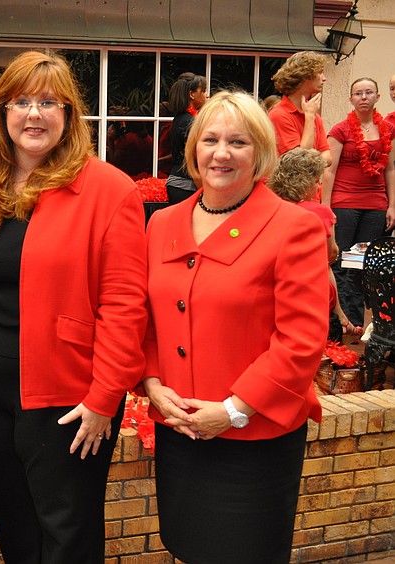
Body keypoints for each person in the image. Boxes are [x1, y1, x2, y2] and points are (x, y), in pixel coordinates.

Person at [0, 51, 148, 562]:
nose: (34, 114)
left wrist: (105, 398)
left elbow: (125, 304)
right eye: (20, 102)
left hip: (68, 401)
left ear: (69, 115)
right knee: (15, 530)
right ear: (1, 112)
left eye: (49, 102)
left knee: (67, 538)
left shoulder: (109, 190)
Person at [141, 91, 329, 563]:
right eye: (210, 140)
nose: (221, 153)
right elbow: (145, 320)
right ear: (194, 149)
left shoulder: (292, 227)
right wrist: (151, 383)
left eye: (237, 142)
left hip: (253, 436)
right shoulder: (161, 223)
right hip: (180, 429)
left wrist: (232, 410)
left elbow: (301, 341)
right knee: (186, 546)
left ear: (260, 152)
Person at [321, 77, 395, 331]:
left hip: (375, 205)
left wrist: (392, 205)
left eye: (369, 92)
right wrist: (325, 206)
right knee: (341, 262)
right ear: (351, 98)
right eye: (358, 93)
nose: (363, 97)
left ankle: (357, 322)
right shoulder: (341, 130)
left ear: (377, 97)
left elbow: (391, 169)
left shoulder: (387, 129)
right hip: (344, 203)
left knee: (361, 263)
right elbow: (328, 171)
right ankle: (343, 321)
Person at [267, 147, 361, 338]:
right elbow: (331, 254)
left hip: (274, 285)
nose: (319, 186)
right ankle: (340, 317)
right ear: (304, 181)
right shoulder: (319, 212)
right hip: (310, 288)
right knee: (324, 264)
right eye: (316, 180)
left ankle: (341, 316)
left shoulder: (269, 205)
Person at [269, 51, 331, 163]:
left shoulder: (313, 115)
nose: (324, 78)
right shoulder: (278, 115)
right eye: (320, 72)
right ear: (305, 75)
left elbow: (329, 158)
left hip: (311, 181)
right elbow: (300, 163)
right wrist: (310, 118)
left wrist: (311, 161)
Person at [165, 72, 208, 203]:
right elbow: (193, 159)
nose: (207, 94)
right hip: (186, 186)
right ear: (191, 94)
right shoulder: (188, 122)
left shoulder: (181, 118)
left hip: (179, 183)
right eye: (204, 90)